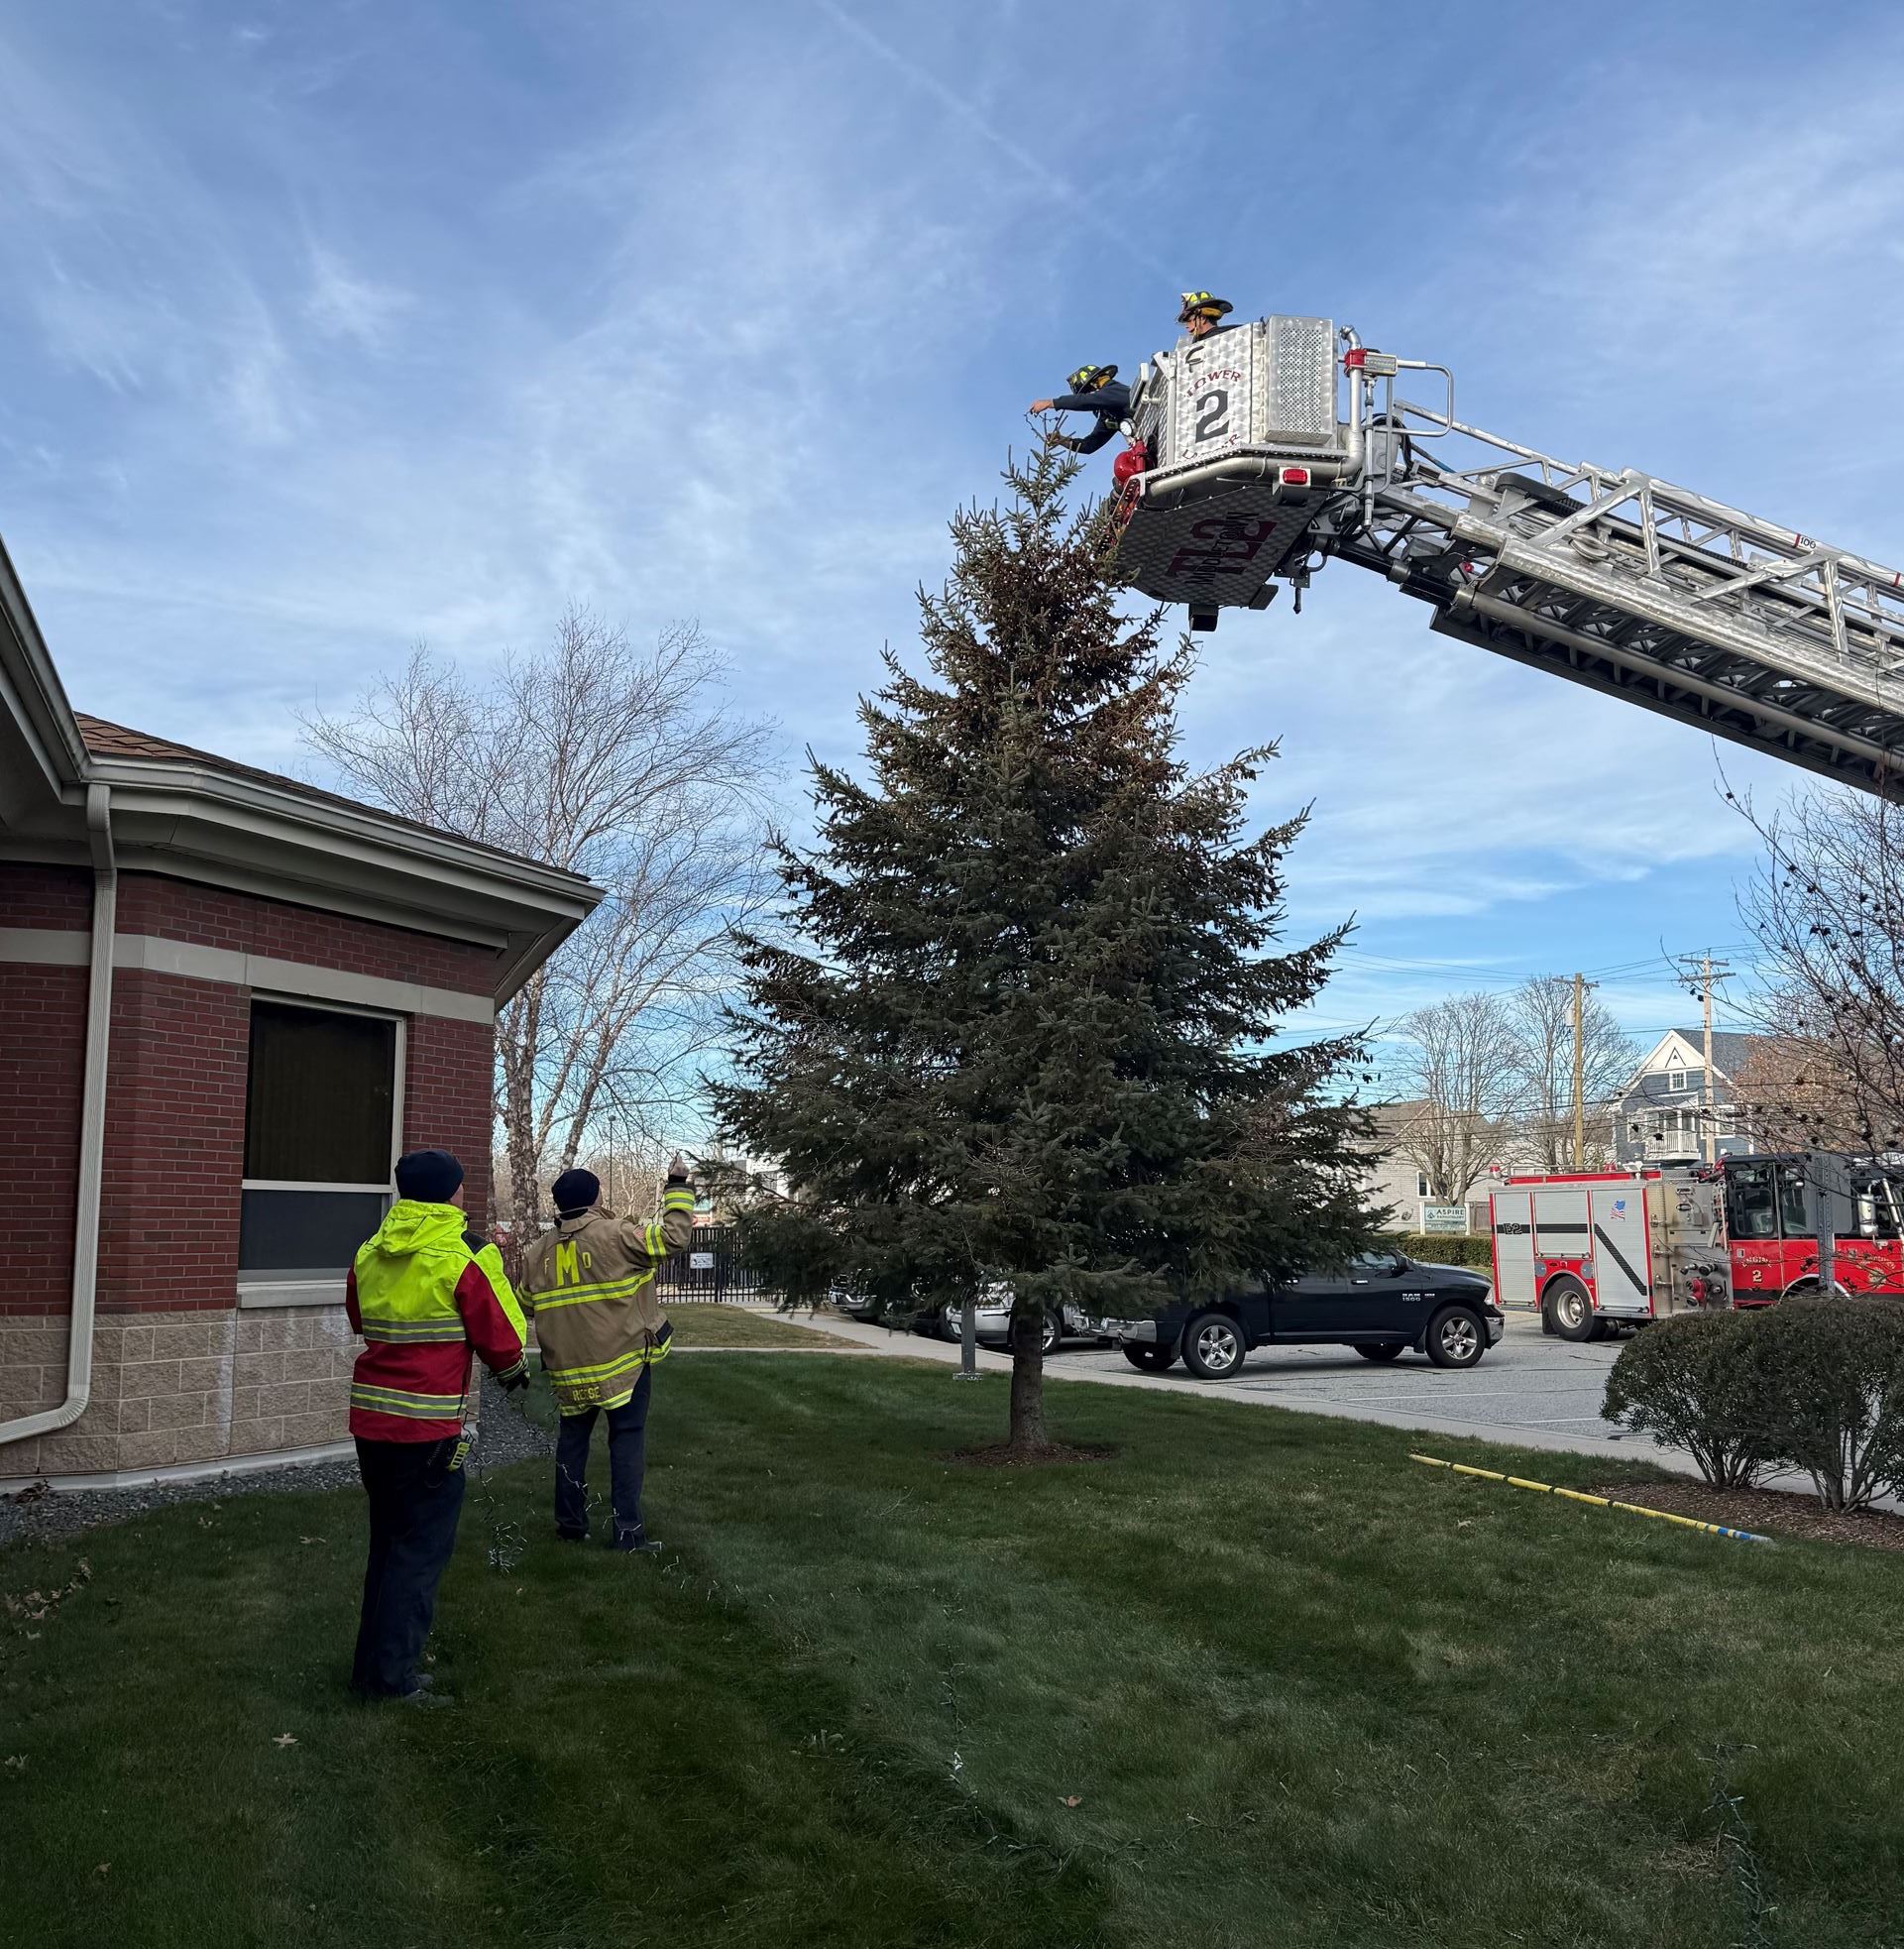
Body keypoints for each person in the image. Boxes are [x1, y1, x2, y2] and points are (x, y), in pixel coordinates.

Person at [346, 1147, 530, 1703]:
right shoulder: (466, 1253)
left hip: (372, 1425)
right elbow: (506, 1340)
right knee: (418, 1553)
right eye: (461, 1187)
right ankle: (392, 1681)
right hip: (427, 1433)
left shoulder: (370, 1250)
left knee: (387, 1545)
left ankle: (373, 1668)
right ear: (452, 1192)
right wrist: (515, 1373)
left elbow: (359, 1318)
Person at [517, 1157, 697, 1553]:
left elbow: (527, 1305)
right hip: (624, 1366)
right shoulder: (617, 1234)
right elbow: (674, 1237)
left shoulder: (535, 1254)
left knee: (572, 1444)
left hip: (568, 1370)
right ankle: (628, 1534)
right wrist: (678, 1186)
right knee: (627, 1441)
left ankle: (569, 1526)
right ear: (597, 1197)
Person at [1028, 364, 1131, 455]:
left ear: (1094, 385)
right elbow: (1089, 445)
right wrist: (1063, 441)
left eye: (1087, 392)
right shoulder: (1109, 416)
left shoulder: (1115, 390)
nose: (1089, 395)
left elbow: (1086, 401)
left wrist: (1051, 403)